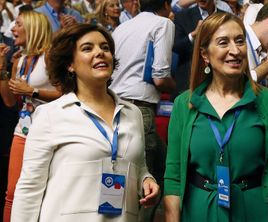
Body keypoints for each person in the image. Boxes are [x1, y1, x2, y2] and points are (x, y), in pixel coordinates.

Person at [11, 24, 159, 222]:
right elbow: (29, 188)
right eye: (88, 48)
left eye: (105, 48)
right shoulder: (50, 115)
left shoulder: (132, 113)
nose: (100, 53)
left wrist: (146, 179)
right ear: (70, 64)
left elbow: (138, 166)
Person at [164, 12, 268, 221]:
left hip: (253, 210)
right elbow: (174, 174)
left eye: (239, 41)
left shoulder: (267, 102)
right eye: (223, 42)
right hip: (199, 211)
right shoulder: (185, 104)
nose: (235, 51)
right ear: (205, 54)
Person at [110, 0, 175, 221]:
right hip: (141, 110)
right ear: (167, 3)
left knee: (129, 173)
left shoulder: (122, 27)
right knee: (149, 181)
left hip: (115, 105)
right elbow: (160, 77)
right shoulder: (163, 23)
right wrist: (175, 86)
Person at [0, 11, 61, 222]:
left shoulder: (51, 57)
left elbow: (68, 94)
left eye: (17, 24)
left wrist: (33, 92)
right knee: (12, 194)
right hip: (22, 132)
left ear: (32, 28)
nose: (12, 29)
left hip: (49, 133)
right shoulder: (20, 60)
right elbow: (9, 101)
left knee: (44, 195)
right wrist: (2, 69)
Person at [173, 0, 226, 95]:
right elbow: (176, 47)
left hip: (220, 84)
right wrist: (193, 35)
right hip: (188, 84)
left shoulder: (226, 18)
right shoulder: (182, 16)